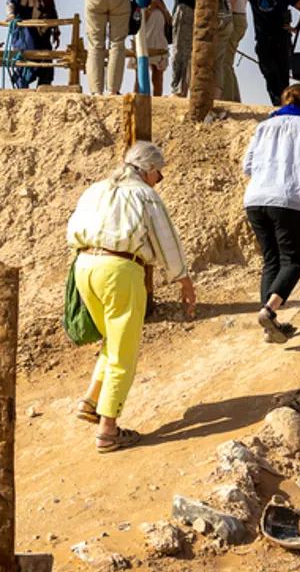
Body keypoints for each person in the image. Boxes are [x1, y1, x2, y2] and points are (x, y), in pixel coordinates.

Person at [67, 141, 198, 453]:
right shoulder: (144, 195)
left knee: (113, 341)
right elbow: (166, 240)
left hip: (84, 266)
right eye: (159, 175)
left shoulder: (95, 190)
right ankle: (108, 431)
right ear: (149, 171)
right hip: (119, 270)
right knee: (125, 352)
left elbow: (73, 229)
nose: (158, 181)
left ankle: (92, 399)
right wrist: (184, 280)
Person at [242, 84, 300, 343]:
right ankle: (269, 310)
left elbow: (246, 166)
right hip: (288, 198)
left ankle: (268, 326)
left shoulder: (263, 126)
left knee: (271, 260)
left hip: (255, 199)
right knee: (293, 260)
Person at [249, 0, 300, 106]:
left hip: (282, 40)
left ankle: (286, 104)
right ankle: (276, 103)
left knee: (283, 75)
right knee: (269, 73)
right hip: (263, 40)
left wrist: (297, 27)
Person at [5, 0, 60, 88]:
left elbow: (52, 10)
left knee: (45, 56)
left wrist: (56, 30)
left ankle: (44, 86)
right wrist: (13, 19)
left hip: (43, 30)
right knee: (26, 56)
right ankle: (22, 87)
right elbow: (10, 8)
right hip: (24, 32)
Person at [211, 0, 250, 102]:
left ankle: (228, 99)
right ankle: (233, 98)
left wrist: (224, 18)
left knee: (224, 61)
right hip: (238, 16)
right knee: (227, 61)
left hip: (232, 16)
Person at [133, 0, 171, 95]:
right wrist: (150, 9)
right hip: (144, 41)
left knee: (158, 77)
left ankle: (156, 101)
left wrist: (162, 8)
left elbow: (169, 21)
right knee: (140, 76)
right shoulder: (140, 3)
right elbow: (138, 22)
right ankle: (138, 100)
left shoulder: (160, 1)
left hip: (159, 42)